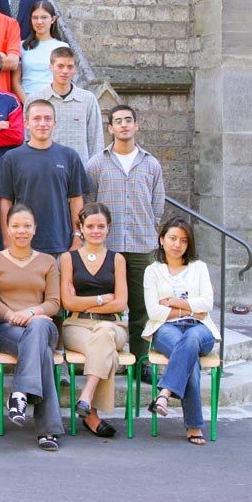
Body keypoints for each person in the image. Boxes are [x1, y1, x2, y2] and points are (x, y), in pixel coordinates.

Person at [87, 104, 165, 377]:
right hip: (107, 248)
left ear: (136, 125)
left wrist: (150, 230)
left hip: (141, 245)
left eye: (128, 120)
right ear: (110, 128)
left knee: (141, 306)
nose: (124, 125)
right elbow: (90, 203)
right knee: (106, 304)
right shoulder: (97, 163)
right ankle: (109, 359)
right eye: (118, 121)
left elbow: (157, 205)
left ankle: (142, 362)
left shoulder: (150, 164)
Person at [0, 204, 63, 451]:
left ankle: (20, 393)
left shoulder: (48, 261)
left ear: (35, 229)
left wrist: (31, 313)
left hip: (42, 325)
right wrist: (11, 315)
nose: (21, 231)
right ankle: (48, 430)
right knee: (43, 356)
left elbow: (54, 303)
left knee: (39, 326)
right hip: (6, 328)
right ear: (7, 228)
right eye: (16, 226)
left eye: (27, 226)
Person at [143, 216, 220, 446]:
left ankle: (164, 393)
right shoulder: (152, 271)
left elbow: (207, 304)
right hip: (166, 328)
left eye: (184, 240)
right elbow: (154, 311)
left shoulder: (199, 268)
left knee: (192, 338)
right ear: (162, 240)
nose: (177, 244)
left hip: (200, 328)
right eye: (173, 238)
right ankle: (194, 425)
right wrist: (188, 310)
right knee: (189, 356)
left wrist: (174, 302)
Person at [59, 202, 128, 439]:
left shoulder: (117, 259)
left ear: (109, 227)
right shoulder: (68, 258)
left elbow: (120, 303)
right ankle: (90, 414)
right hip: (77, 325)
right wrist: (101, 299)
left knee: (105, 333)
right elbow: (68, 303)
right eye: (90, 226)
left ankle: (86, 397)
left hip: (113, 325)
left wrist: (82, 301)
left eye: (101, 226)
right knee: (106, 349)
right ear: (81, 228)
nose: (95, 231)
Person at [0, 99, 88, 255]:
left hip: (61, 243)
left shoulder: (69, 156)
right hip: (22, 243)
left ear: (55, 123)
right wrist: (7, 240)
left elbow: (76, 200)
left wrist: (77, 236)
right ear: (26, 123)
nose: (42, 123)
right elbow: (6, 202)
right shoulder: (11, 158)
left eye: (48, 119)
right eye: (36, 118)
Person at [28, 46, 104, 165]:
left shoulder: (88, 99)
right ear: (51, 67)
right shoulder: (35, 99)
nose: (65, 71)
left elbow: (96, 140)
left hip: (79, 168)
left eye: (70, 67)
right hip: (46, 167)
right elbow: (28, 137)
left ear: (75, 69)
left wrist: (95, 170)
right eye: (60, 66)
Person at [12, 0, 65, 103]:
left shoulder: (62, 47)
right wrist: (28, 104)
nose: (39, 22)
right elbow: (15, 81)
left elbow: (64, 79)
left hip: (54, 102)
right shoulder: (22, 46)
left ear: (53, 19)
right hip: (27, 101)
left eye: (44, 17)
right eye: (35, 18)